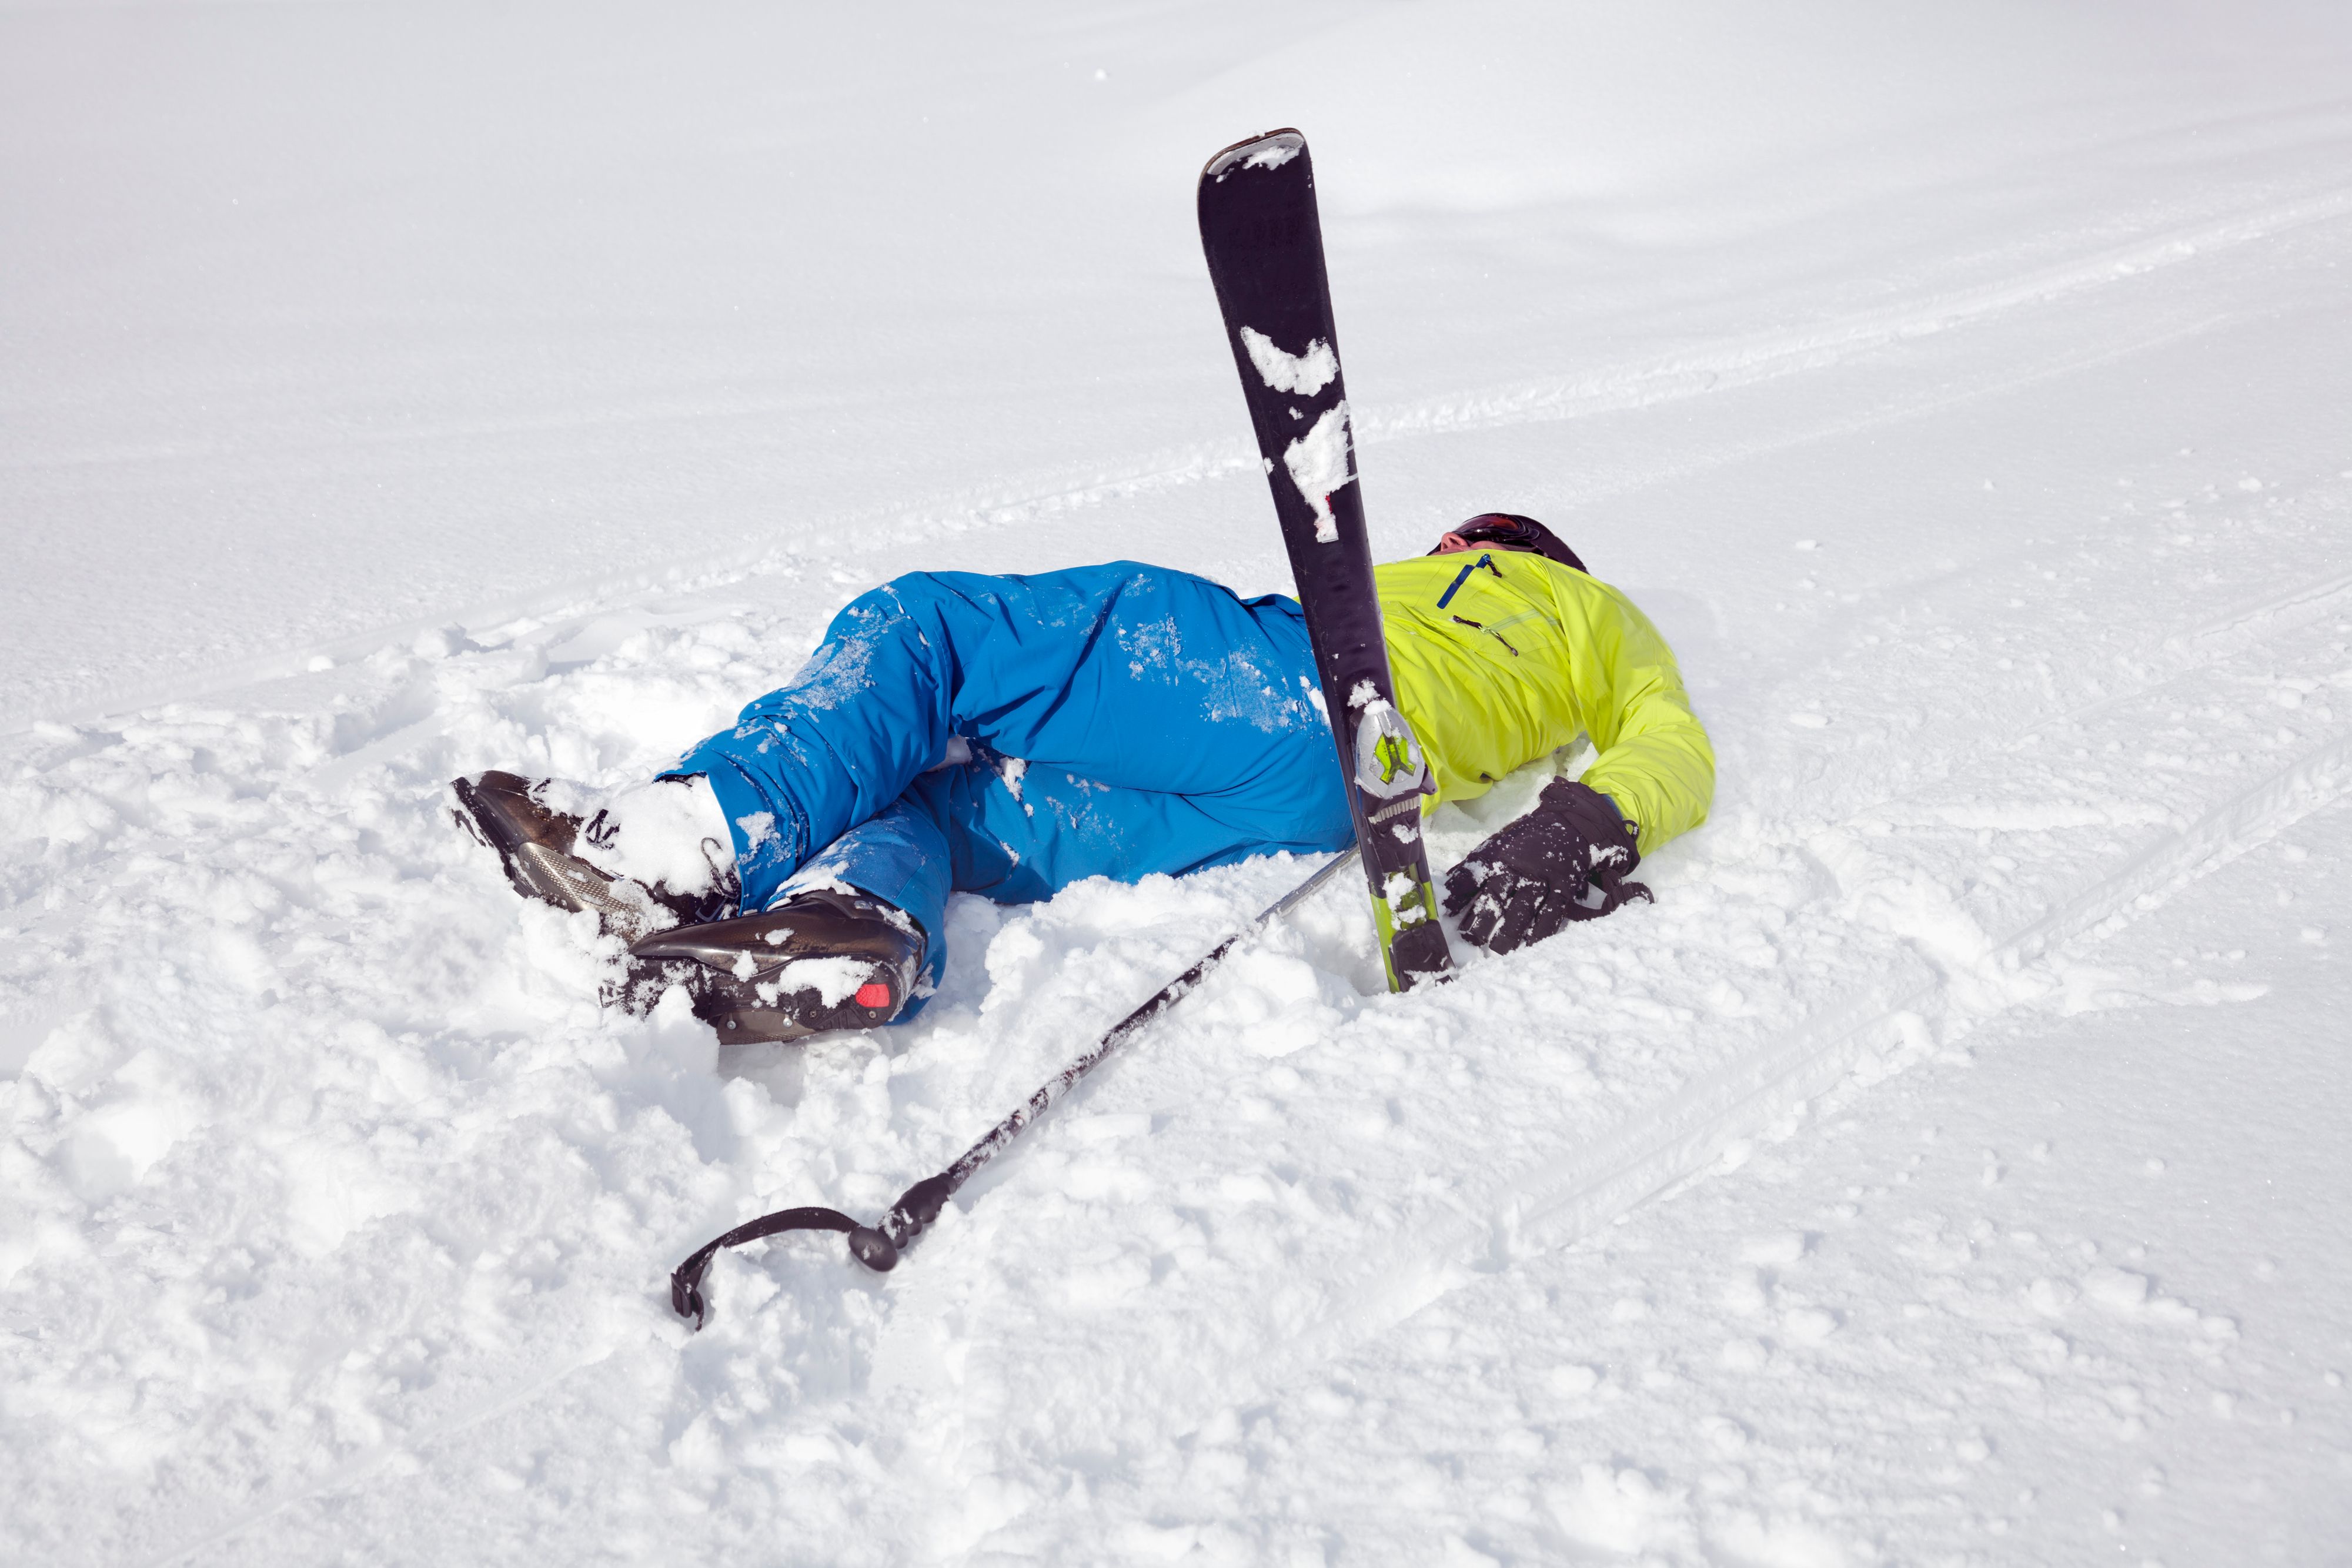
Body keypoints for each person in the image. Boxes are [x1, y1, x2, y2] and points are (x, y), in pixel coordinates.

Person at [451, 514, 1714, 1041]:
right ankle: (857, 932)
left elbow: (1676, 739)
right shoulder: (1607, 651)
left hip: (1275, 684)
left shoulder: (1551, 591)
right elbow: (1670, 747)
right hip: (1318, 801)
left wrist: (1578, 830)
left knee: (931, 631)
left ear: (1488, 543)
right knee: (926, 800)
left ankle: (680, 846)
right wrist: (1581, 829)